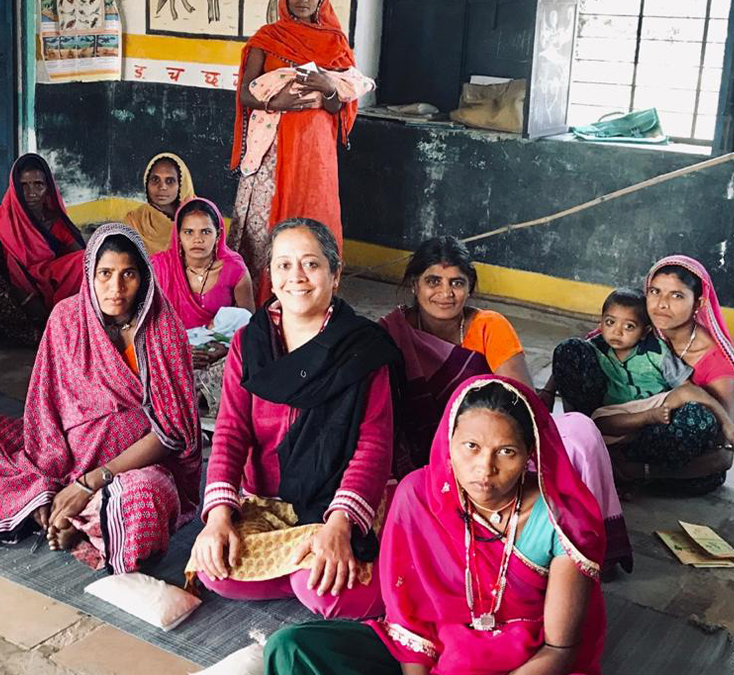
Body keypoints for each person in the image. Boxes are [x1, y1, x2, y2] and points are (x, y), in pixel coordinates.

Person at [264, 377, 607, 675]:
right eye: (470, 447)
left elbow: (560, 650)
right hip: (432, 651)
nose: (484, 468)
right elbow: (407, 619)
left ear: (529, 452)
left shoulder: (560, 519)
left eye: (506, 452)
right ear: (449, 442)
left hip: (522, 662)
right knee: (292, 647)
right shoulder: (420, 495)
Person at [0, 224, 201, 574]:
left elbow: (173, 433)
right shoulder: (66, 318)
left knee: (144, 500)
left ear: (144, 277)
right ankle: (44, 503)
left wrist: (89, 482)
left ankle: (78, 520)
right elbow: (44, 408)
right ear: (89, 275)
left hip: (130, 468)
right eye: (105, 274)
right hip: (63, 454)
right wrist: (46, 479)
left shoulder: (162, 328)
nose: (116, 288)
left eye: (128, 274)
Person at [187, 218, 402, 619]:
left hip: (333, 505)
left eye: (311, 264)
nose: (296, 277)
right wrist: (218, 517)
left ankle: (310, 572)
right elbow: (231, 432)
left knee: (325, 594)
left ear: (335, 275)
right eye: (283, 265)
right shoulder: (249, 342)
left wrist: (339, 527)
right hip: (268, 503)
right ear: (270, 274)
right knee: (214, 568)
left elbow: (373, 446)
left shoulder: (362, 349)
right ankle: (301, 571)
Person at [379, 236, 631, 575]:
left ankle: (589, 545)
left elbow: (522, 401)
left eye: (457, 282)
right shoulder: (391, 333)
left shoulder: (489, 325)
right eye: (433, 281)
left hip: (499, 445)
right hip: (431, 452)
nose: (445, 293)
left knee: (581, 430)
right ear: (414, 284)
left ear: (470, 287)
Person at [228, 0, 359, 301]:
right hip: (272, 148)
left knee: (313, 213)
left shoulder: (335, 42)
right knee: (264, 225)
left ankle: (312, 296)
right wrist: (275, 103)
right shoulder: (267, 37)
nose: (302, 1)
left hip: (315, 152)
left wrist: (327, 86)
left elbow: (337, 105)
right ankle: (258, 298)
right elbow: (246, 92)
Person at [584, 257, 734, 495]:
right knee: (574, 352)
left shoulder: (716, 362)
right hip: (617, 417)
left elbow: (723, 447)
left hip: (665, 438)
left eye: (676, 296)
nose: (661, 304)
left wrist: (641, 467)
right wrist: (549, 391)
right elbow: (588, 342)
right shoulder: (641, 327)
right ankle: (589, 446)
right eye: (655, 291)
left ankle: (626, 469)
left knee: (698, 418)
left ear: (698, 302)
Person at [550, 288, 734, 448]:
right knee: (599, 421)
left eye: (629, 326)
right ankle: (589, 439)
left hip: (656, 408)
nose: (617, 331)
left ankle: (634, 448)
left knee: (696, 410)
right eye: (610, 322)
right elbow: (565, 362)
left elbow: (686, 389)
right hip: (617, 413)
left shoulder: (656, 352)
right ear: (601, 322)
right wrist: (549, 391)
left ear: (645, 331)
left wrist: (725, 423)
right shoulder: (594, 347)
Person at [0, 153, 85, 347]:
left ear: (48, 188)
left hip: (50, 295)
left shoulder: (56, 222)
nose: (31, 192)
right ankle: (38, 330)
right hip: (16, 294)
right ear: (14, 188)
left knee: (85, 262)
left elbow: (81, 262)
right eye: (23, 186)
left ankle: (50, 325)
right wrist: (27, 300)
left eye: (38, 185)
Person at [150, 197, 254, 416]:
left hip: (217, 350)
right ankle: (191, 400)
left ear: (218, 234)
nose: (197, 239)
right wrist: (180, 351)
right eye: (189, 232)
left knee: (248, 360)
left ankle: (197, 399)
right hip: (173, 348)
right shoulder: (159, 266)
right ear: (178, 235)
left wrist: (224, 349)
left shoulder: (234, 269)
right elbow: (146, 322)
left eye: (205, 232)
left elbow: (249, 325)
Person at [123, 153, 196, 255]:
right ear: (146, 182)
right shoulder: (135, 221)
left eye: (170, 181)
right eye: (155, 179)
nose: (162, 187)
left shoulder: (199, 219)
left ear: (182, 185)